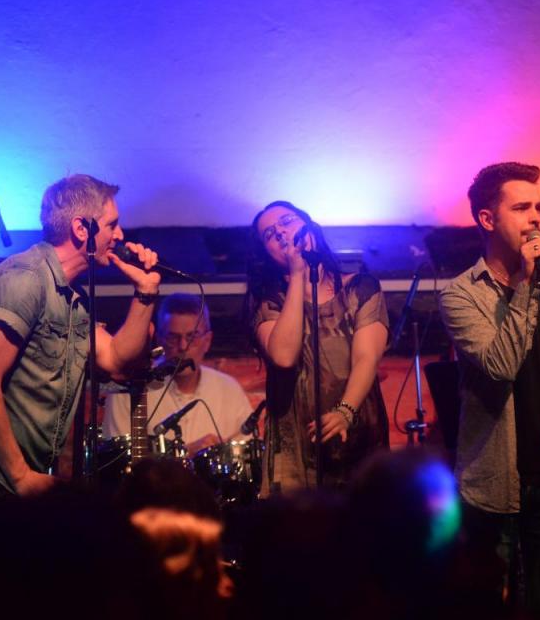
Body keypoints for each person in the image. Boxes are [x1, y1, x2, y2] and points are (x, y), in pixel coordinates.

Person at [0, 174, 161, 528]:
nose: (120, 235)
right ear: (81, 229)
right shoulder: (24, 280)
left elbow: (117, 360)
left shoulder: (73, 300)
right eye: (112, 225)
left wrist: (146, 291)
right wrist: (21, 476)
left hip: (11, 473)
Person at [438, 161, 540, 617]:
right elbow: (501, 365)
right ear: (487, 219)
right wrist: (525, 287)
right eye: (520, 208)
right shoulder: (461, 296)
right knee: (485, 608)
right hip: (493, 485)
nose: (535, 217)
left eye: (537, 207)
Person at [245, 201, 389, 494]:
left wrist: (345, 411)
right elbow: (284, 356)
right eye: (270, 234)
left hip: (360, 437)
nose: (281, 232)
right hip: (298, 447)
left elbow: (367, 357)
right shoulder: (267, 302)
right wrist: (298, 275)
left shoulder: (360, 288)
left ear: (309, 226)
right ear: (266, 252)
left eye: (287, 221)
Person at [102, 293, 253, 454]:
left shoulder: (229, 390)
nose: (183, 346)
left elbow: (246, 453)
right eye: (172, 337)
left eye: (192, 336)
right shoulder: (129, 390)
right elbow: (117, 457)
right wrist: (185, 454)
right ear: (159, 340)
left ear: (207, 341)